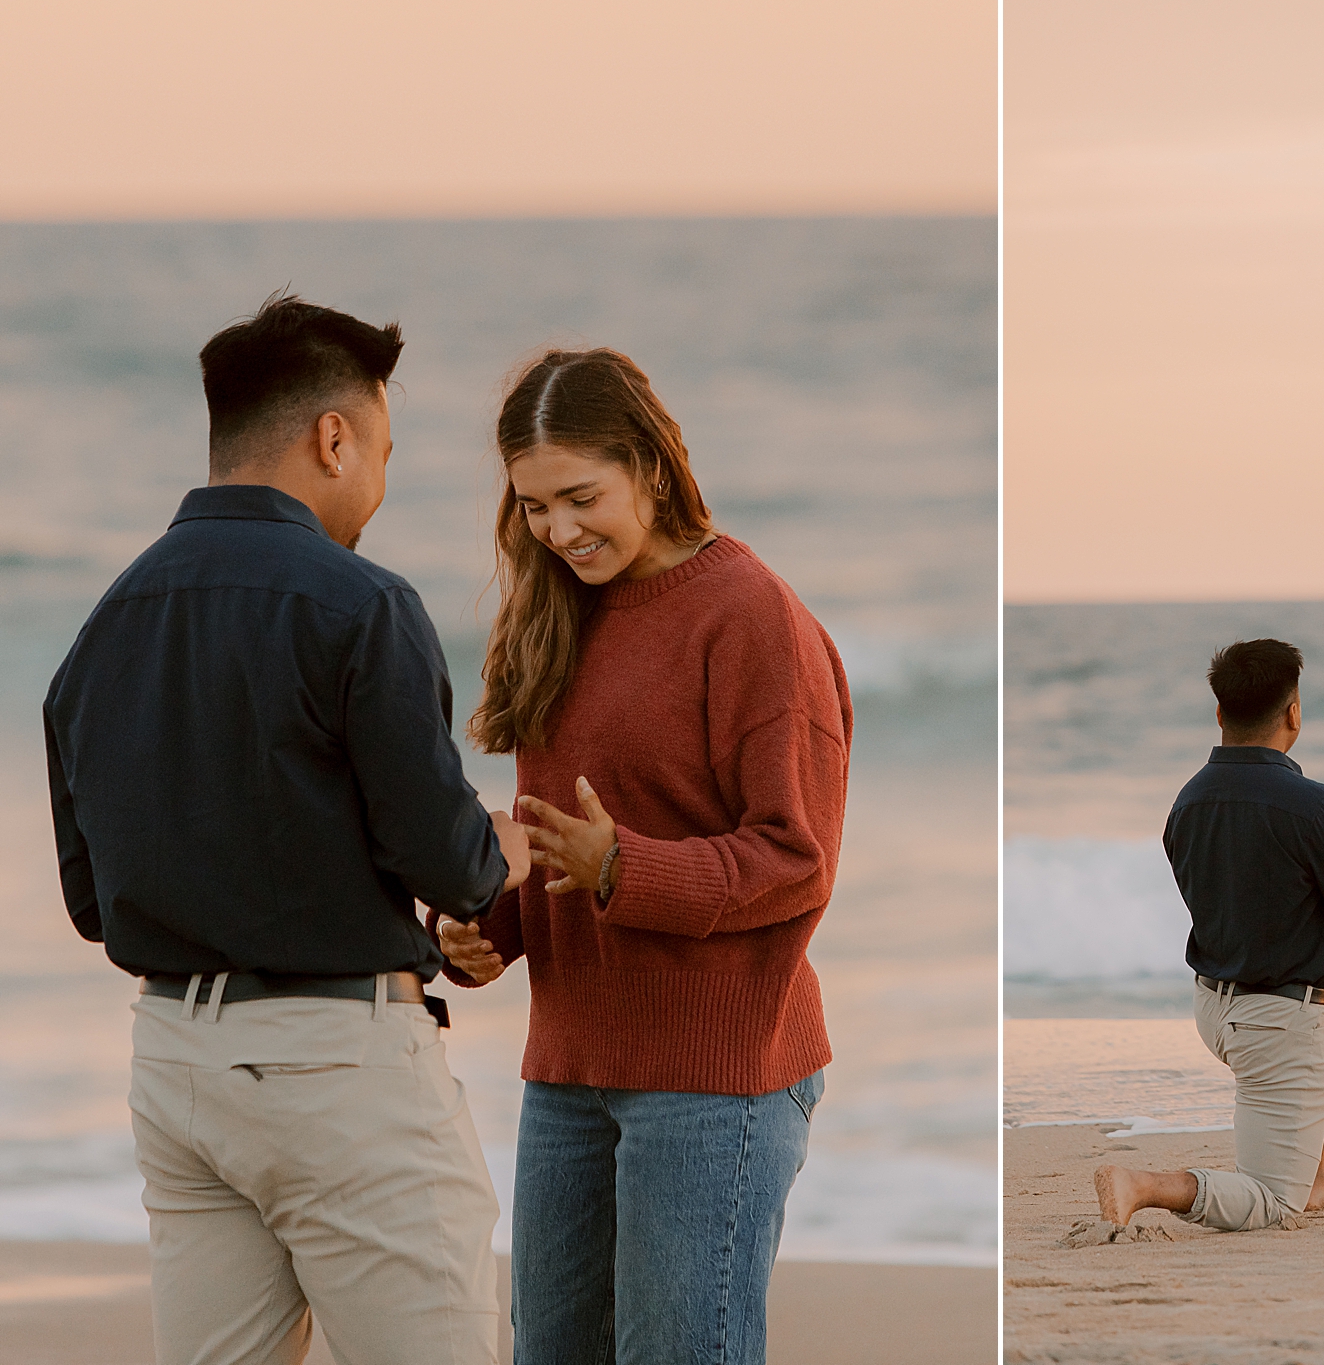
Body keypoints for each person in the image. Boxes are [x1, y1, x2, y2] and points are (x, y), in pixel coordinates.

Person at [43, 293, 533, 1365]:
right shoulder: (361, 602)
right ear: (331, 436)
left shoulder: (103, 625)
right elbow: (443, 858)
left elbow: (92, 899)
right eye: (383, 452)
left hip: (174, 1065)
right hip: (335, 1068)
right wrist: (505, 851)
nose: (380, 489)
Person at [432, 348, 851, 1365]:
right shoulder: (554, 609)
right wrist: (487, 927)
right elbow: (552, 838)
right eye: (534, 507)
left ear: (649, 468)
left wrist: (626, 866)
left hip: (713, 1079)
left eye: (581, 497)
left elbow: (795, 856)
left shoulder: (749, 611)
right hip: (569, 1068)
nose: (558, 530)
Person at [1090, 638, 1324, 1234]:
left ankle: (1320, 1180)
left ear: (1221, 713)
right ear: (1294, 713)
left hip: (1214, 1006)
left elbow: (1242, 908)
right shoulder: (1312, 806)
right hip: (1273, 1024)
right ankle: (1145, 1185)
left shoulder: (1188, 802)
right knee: (1274, 1202)